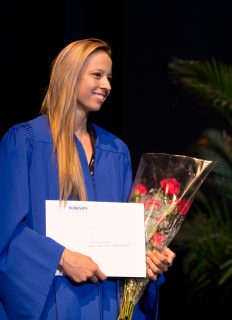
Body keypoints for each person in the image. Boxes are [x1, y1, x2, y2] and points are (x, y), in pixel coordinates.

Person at [0, 38, 175, 319]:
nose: (106, 85)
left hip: (108, 301)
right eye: (97, 75)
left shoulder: (116, 151)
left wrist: (148, 254)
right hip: (53, 302)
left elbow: (123, 235)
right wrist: (61, 258)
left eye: (109, 77)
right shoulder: (26, 142)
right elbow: (6, 231)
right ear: (70, 75)